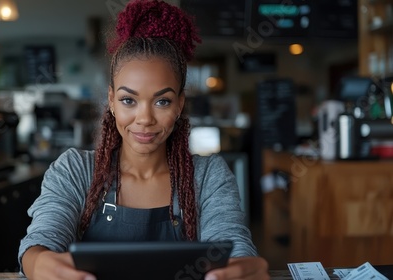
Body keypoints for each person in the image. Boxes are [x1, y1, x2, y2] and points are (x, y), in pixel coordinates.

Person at [19, 1, 269, 279]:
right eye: (129, 100)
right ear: (112, 101)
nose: (145, 118)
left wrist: (243, 267)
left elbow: (234, 245)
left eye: (162, 101)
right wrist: (39, 262)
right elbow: (40, 242)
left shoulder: (209, 176)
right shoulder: (75, 170)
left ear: (179, 105)